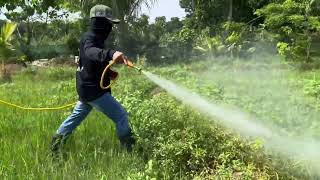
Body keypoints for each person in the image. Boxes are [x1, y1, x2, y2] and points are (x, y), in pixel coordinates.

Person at [50, 4, 135, 156]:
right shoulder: (90, 39)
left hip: (86, 88)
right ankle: (131, 151)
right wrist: (111, 53)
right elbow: (91, 53)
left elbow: (90, 63)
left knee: (74, 119)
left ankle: (55, 149)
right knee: (121, 116)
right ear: (99, 22)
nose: (110, 27)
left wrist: (109, 73)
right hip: (93, 90)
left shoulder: (94, 39)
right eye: (108, 23)